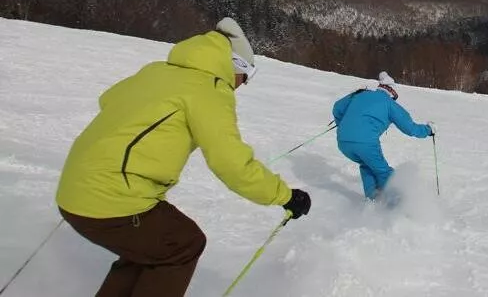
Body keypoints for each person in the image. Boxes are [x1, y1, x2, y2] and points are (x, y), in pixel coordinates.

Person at [55, 17, 312, 297]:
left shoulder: (157, 71)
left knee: (149, 251)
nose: (243, 84)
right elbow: (231, 162)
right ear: (234, 65)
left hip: (75, 188)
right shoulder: (209, 88)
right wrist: (285, 196)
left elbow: (109, 99)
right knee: (183, 245)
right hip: (114, 196)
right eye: (246, 76)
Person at [332, 71, 433, 201]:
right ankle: (397, 206)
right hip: (365, 143)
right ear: (392, 92)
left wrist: (343, 126)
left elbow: (337, 108)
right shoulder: (389, 104)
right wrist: (428, 130)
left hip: (342, 142)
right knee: (384, 172)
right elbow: (410, 128)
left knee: (367, 164)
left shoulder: (361, 93)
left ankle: (373, 200)